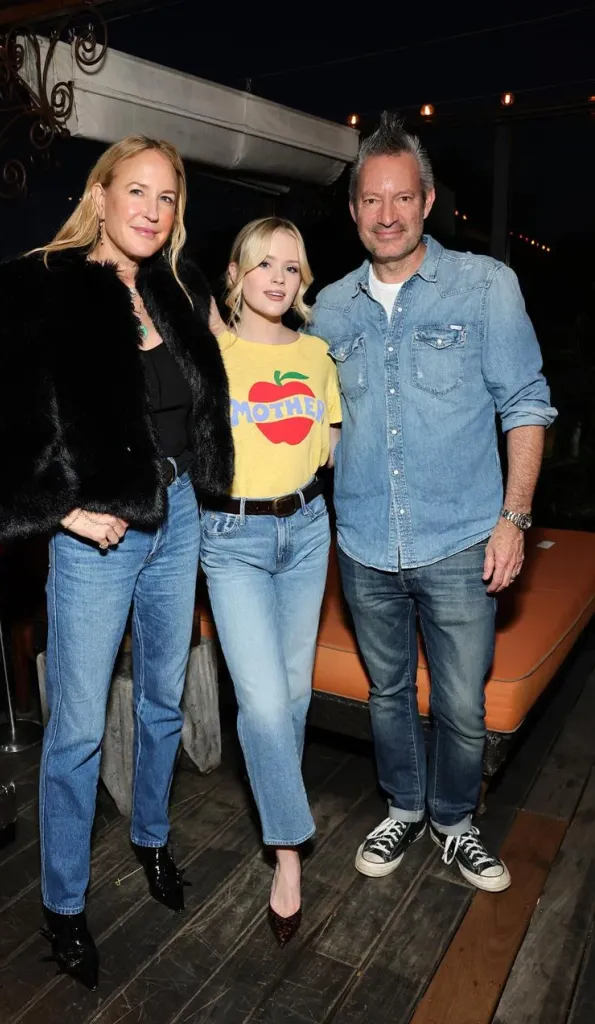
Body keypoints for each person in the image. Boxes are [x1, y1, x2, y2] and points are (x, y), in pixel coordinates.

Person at [0, 135, 234, 990]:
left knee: (161, 701)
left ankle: (150, 837)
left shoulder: (174, 292)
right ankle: (63, 905)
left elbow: (204, 400)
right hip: (97, 539)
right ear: (99, 195)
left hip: (176, 516)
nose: (150, 209)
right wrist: (64, 510)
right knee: (72, 732)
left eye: (167, 197)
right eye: (135, 191)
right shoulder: (43, 287)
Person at [308, 112, 556, 893]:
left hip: (459, 541)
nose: (386, 214)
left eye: (400, 198)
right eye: (370, 201)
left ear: (426, 201)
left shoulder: (485, 285)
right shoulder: (328, 307)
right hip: (365, 546)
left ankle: (453, 822)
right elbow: (305, 418)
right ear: (353, 210)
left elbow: (525, 402)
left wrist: (513, 519)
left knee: (457, 701)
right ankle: (403, 808)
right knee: (386, 694)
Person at [202, 217, 341, 947]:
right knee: (259, 702)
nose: (279, 279)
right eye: (265, 265)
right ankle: (289, 853)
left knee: (293, 695)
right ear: (236, 274)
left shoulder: (318, 355)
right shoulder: (211, 355)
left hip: (307, 530)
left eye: (292, 267)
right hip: (231, 538)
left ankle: (281, 840)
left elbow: (330, 448)